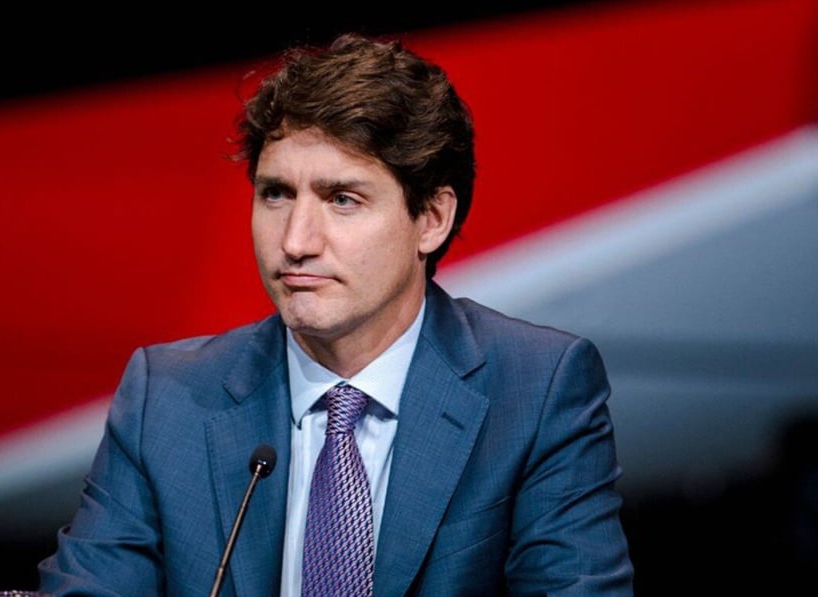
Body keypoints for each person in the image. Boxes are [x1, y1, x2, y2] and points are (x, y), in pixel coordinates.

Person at [37, 32, 634, 596]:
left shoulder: (536, 390)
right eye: (276, 194)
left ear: (431, 219)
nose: (295, 240)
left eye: (342, 199)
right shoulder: (166, 397)